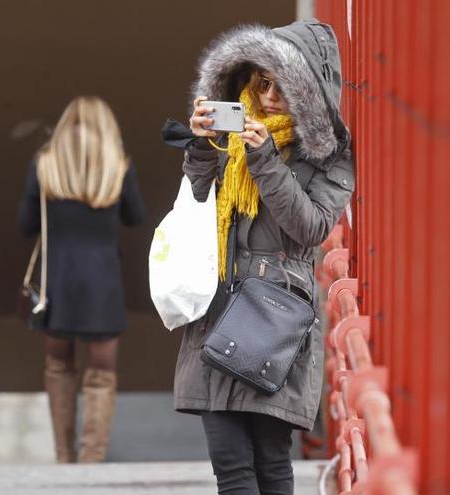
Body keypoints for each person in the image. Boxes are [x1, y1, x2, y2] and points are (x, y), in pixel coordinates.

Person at [170, 21, 355, 494]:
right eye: (262, 81)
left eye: (283, 85)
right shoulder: (233, 135)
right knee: (230, 466)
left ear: (308, 90)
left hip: (275, 314)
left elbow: (309, 228)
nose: (269, 95)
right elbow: (197, 198)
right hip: (218, 309)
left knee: (272, 464)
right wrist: (202, 145)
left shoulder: (329, 155)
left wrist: (266, 159)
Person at [16, 96, 144, 463]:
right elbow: (135, 216)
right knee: (102, 374)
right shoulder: (118, 168)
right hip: (102, 283)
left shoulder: (44, 166)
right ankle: (92, 459)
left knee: (59, 368)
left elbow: (25, 224)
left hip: (56, 282)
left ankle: (63, 456)